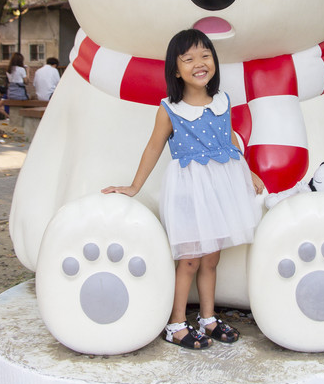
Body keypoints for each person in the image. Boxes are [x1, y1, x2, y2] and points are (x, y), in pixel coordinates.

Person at [102, 28, 264, 350]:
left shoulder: (222, 100)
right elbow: (153, 148)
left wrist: (249, 174)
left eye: (205, 55)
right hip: (191, 191)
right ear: (176, 70)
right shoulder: (170, 109)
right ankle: (176, 323)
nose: (199, 63)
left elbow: (230, 139)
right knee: (189, 260)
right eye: (188, 58)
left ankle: (208, 318)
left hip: (221, 189)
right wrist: (135, 186)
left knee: (211, 259)